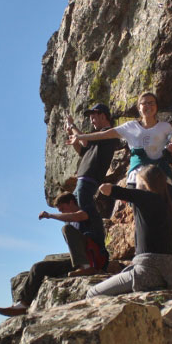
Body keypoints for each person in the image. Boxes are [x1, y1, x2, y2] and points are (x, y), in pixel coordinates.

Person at [0, 192, 108, 316]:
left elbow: (77, 216)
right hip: (78, 261)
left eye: (63, 209)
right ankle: (22, 305)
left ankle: (86, 267)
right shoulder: (70, 223)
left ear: (71, 202)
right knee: (38, 267)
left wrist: (50, 215)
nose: (62, 213)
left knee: (66, 229)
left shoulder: (88, 211)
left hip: (96, 257)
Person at [86, 164, 172, 297]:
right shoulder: (165, 203)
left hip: (147, 271)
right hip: (167, 273)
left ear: (145, 183)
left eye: (138, 183)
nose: (136, 186)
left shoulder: (144, 197)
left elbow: (107, 189)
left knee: (92, 293)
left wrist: (101, 186)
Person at [70, 92, 172, 195]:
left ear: (156, 106)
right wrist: (80, 137)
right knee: (139, 206)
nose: (148, 106)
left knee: (161, 207)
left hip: (160, 176)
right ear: (139, 108)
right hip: (136, 176)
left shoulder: (166, 127)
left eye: (151, 103)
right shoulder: (130, 126)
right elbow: (105, 134)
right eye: (144, 103)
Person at [64, 102, 119, 273]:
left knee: (85, 216)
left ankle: (96, 258)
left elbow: (85, 138)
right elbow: (82, 150)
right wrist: (73, 137)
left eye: (94, 116)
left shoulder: (108, 134)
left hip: (88, 180)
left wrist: (73, 126)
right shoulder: (96, 140)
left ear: (103, 116)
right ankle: (85, 259)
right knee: (73, 220)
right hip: (83, 181)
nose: (92, 120)